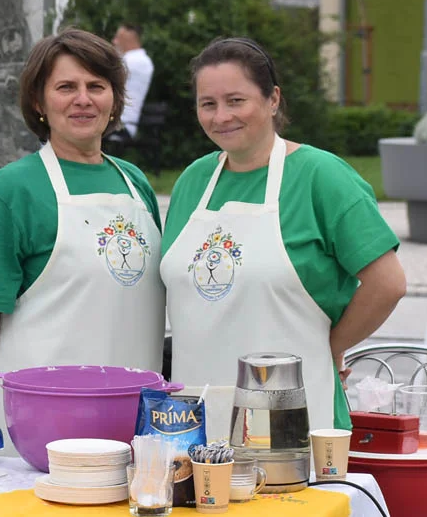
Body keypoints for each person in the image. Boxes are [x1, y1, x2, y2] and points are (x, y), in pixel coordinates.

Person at [160, 37, 406, 432]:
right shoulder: (193, 181)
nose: (221, 116)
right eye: (208, 104)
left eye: (236, 100)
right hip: (197, 418)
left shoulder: (322, 177)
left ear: (273, 99)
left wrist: (329, 347)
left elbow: (388, 283)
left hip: (294, 418)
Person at [0, 28, 165, 445]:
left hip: (134, 416)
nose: (83, 99)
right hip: (38, 425)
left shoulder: (136, 183)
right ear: (39, 101)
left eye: (96, 86)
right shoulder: (13, 191)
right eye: (66, 87)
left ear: (115, 99)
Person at [112, 22, 154, 138]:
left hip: (120, 125)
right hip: (119, 124)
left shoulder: (134, 61)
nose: (114, 42)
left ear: (129, 39)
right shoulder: (137, 60)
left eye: (118, 38)